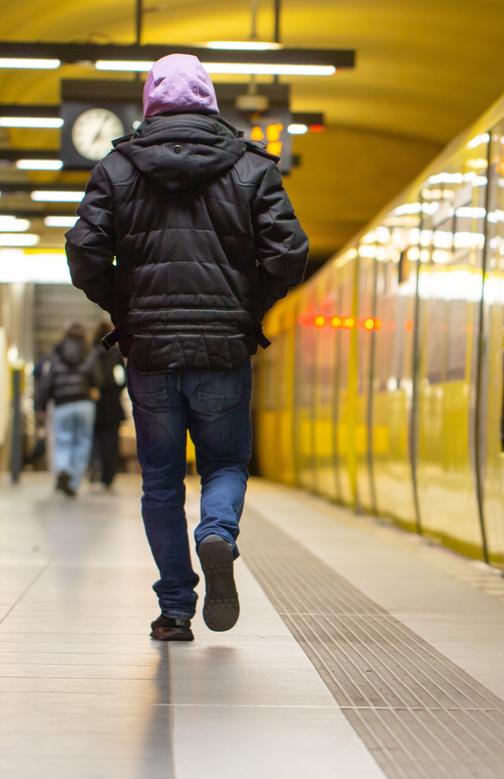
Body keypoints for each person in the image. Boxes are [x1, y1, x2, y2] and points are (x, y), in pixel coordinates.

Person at [65, 53, 308, 642]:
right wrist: (247, 308)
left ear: (150, 103)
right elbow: (289, 253)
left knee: (160, 482)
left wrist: (126, 309)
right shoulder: (252, 167)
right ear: (210, 102)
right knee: (224, 463)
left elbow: (84, 253)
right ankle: (217, 532)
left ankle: (175, 609)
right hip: (223, 349)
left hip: (149, 351)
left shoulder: (116, 168)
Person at [34, 322, 98, 497]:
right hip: (84, 403)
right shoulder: (89, 352)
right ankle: (74, 482)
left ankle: (63, 468)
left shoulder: (56, 352)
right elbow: (96, 379)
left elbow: (47, 382)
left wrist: (40, 405)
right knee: (82, 442)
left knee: (63, 440)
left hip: (62, 404)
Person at [90, 320, 126, 490]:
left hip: (95, 401)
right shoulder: (115, 354)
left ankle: (95, 471)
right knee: (112, 440)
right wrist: (117, 389)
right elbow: (123, 378)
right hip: (113, 402)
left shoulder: (91, 353)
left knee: (96, 439)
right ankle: (109, 475)